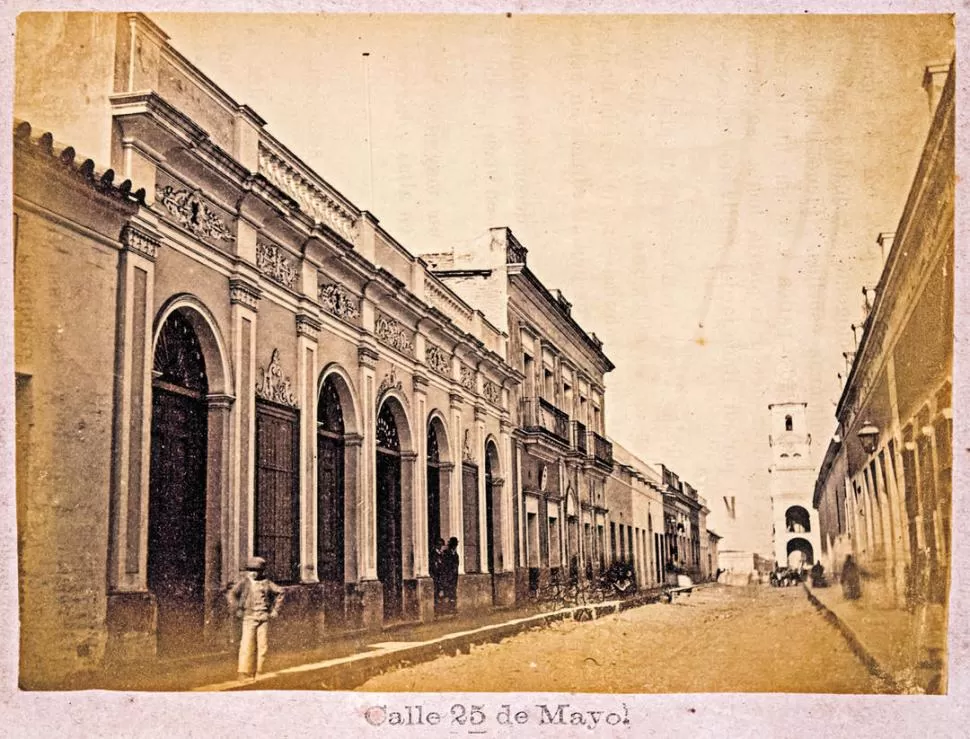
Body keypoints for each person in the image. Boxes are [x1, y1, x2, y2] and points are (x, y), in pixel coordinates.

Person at [227, 556, 285, 680]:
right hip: (249, 617)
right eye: (250, 570)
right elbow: (231, 594)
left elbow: (281, 592)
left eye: (256, 571)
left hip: (263, 617)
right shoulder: (244, 582)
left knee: (263, 645)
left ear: (261, 572)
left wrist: (275, 610)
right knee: (247, 645)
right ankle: (244, 672)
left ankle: (260, 671)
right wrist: (237, 608)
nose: (253, 573)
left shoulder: (266, 583)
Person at [441, 537, 460, 615]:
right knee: (447, 592)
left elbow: (456, 565)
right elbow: (444, 566)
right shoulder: (446, 553)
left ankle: (452, 608)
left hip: (454, 577)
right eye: (455, 544)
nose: (456, 546)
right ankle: (447, 609)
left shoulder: (455, 554)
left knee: (453, 593)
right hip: (447, 576)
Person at [430, 538, 446, 611]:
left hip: (441, 577)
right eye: (439, 545)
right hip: (436, 577)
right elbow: (434, 566)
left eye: (441, 545)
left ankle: (440, 609)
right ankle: (436, 610)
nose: (440, 546)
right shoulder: (433, 554)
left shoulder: (442, 554)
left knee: (441, 593)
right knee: (437, 593)